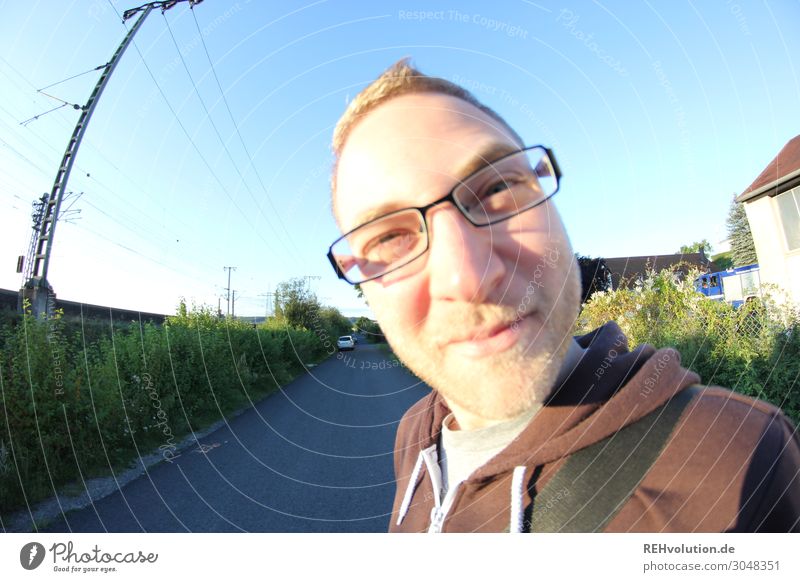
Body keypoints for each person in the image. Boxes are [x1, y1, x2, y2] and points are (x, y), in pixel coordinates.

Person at [326, 59, 800, 532]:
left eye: (497, 187)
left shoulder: (740, 459)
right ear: (360, 280)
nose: (468, 278)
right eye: (388, 238)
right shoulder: (416, 434)